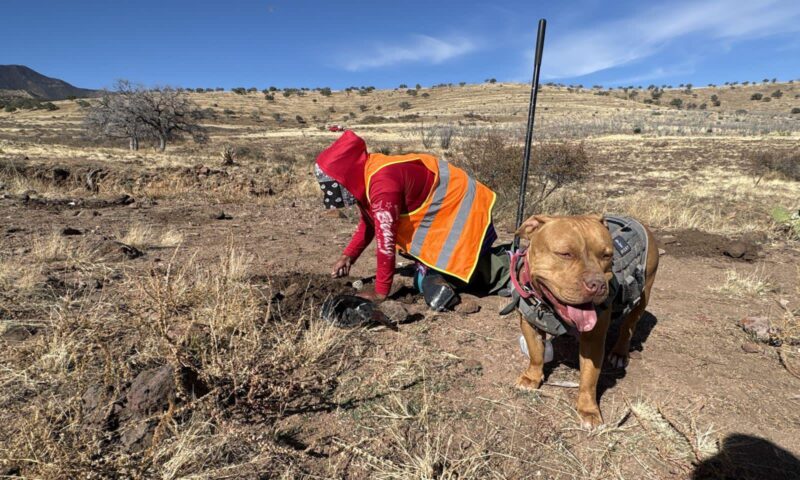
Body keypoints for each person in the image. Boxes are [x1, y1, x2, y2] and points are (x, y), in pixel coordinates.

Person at [315, 130, 509, 311]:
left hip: (465, 212)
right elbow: (369, 222)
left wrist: (380, 292)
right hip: (447, 215)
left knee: (458, 271)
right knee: (428, 279)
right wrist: (348, 256)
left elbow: (386, 242)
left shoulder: (382, 184)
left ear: (345, 176)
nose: (331, 193)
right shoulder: (366, 175)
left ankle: (510, 266)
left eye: (333, 185)